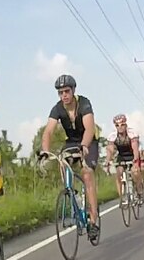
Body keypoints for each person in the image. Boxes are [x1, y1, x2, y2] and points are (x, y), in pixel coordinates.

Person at [38, 75, 101, 242]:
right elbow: (48, 131)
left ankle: (93, 219)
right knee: (62, 162)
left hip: (89, 141)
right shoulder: (57, 108)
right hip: (71, 142)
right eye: (60, 93)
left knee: (87, 173)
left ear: (73, 90)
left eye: (66, 91)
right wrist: (45, 151)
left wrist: (85, 146)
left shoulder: (84, 103)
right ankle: (71, 193)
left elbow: (89, 128)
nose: (64, 95)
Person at [104, 114, 144, 204]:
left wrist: (136, 159)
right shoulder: (113, 136)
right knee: (118, 173)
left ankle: (139, 191)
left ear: (126, 125)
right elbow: (110, 149)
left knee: (135, 171)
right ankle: (121, 197)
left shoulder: (132, 133)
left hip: (132, 155)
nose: (120, 127)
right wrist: (107, 160)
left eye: (122, 125)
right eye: (117, 125)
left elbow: (135, 148)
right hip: (122, 156)